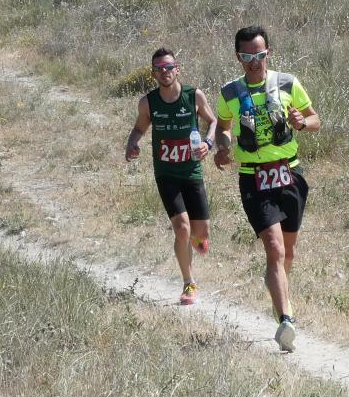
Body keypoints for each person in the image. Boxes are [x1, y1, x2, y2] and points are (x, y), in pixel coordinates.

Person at [214, 26, 320, 352]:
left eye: (259, 55)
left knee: (287, 253)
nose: (254, 62)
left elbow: (315, 119)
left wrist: (301, 122)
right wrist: (222, 146)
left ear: (268, 53)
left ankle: (277, 286)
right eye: (247, 56)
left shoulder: (287, 82)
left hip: (290, 174)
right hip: (254, 178)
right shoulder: (230, 92)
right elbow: (223, 127)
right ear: (238, 57)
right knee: (273, 249)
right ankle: (286, 320)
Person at [125, 48, 217, 305]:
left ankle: (198, 239)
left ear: (178, 68)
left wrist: (208, 145)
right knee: (182, 228)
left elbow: (213, 122)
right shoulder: (148, 102)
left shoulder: (194, 96)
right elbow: (139, 128)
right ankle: (189, 283)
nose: (164, 72)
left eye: (168, 67)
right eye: (159, 69)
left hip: (191, 170)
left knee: (201, 232)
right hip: (166, 173)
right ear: (153, 73)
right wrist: (132, 144)